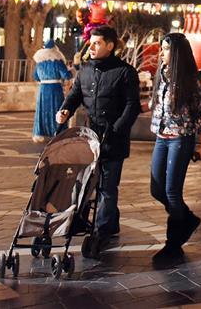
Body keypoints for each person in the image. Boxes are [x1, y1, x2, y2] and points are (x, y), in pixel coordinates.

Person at [57, 25, 141, 253]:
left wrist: (116, 130)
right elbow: (75, 96)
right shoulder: (85, 70)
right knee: (83, 182)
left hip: (113, 138)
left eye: (97, 43)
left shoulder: (125, 72)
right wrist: (65, 110)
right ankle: (90, 220)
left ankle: (102, 230)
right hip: (89, 138)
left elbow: (132, 106)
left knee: (107, 187)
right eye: (90, 43)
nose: (91, 47)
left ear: (110, 45)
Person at [149, 32, 201, 264]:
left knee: (172, 192)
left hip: (180, 139)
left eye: (165, 49)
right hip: (161, 137)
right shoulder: (161, 75)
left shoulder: (189, 80)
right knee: (157, 189)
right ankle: (187, 219)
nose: (161, 53)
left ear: (176, 53)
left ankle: (173, 243)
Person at [32, 41, 72, 143]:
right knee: (57, 110)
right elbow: (66, 75)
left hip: (43, 89)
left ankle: (40, 133)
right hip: (55, 89)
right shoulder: (58, 61)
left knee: (42, 111)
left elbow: (35, 77)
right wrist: (71, 70)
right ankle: (58, 132)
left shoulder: (39, 63)